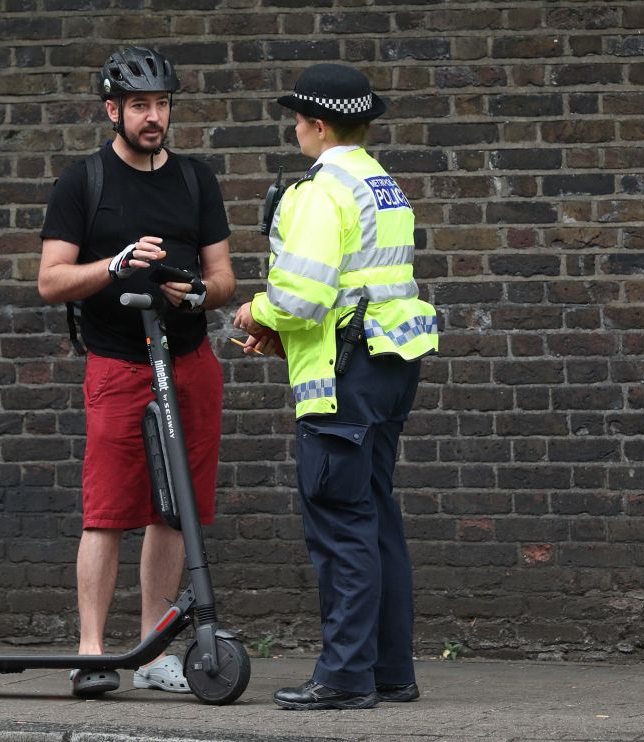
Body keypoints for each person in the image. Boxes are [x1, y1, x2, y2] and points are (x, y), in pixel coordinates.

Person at [234, 63, 439, 710]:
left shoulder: (320, 191)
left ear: (319, 125)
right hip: (389, 366)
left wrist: (256, 313)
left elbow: (302, 296)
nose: (295, 130)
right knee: (376, 518)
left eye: (298, 120)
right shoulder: (383, 184)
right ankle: (389, 672)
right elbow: (359, 286)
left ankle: (346, 677)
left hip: (344, 379)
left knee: (341, 524)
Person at [38, 46, 235, 698]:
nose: (155, 118)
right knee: (107, 511)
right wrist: (117, 264)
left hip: (188, 362)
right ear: (112, 110)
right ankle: (92, 652)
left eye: (162, 105)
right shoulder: (83, 183)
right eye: (141, 106)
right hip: (120, 365)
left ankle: (154, 652)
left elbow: (225, 279)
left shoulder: (193, 180)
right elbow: (52, 281)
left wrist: (196, 293)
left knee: (174, 511)